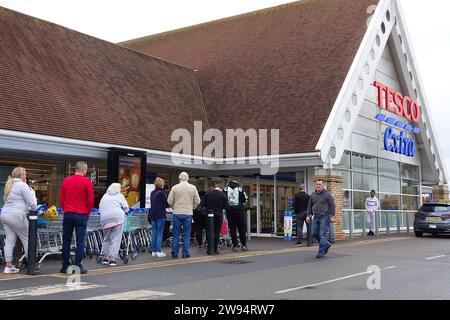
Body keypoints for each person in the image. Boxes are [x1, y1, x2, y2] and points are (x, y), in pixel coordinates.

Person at [0, 167, 37, 274]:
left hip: (5, 215)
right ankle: (32, 265)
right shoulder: (22, 185)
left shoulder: (10, 184)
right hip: (16, 215)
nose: (26, 175)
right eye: (25, 173)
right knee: (28, 239)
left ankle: (8, 266)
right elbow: (32, 203)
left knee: (10, 240)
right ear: (21, 175)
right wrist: (35, 211)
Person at [60, 161, 94, 274]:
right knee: (80, 241)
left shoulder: (66, 180)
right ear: (83, 169)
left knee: (66, 240)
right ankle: (78, 265)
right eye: (86, 170)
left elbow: (61, 199)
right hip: (81, 214)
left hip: (68, 213)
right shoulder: (86, 181)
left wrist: (65, 209)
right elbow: (90, 199)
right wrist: (88, 211)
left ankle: (65, 265)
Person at [168, 172, 201, 259]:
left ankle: (174, 253)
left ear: (179, 178)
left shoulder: (175, 187)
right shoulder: (193, 188)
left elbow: (169, 200)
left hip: (177, 213)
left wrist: (174, 207)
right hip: (188, 213)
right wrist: (192, 207)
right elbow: (198, 201)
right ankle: (185, 253)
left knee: (176, 234)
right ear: (187, 178)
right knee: (187, 234)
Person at [99, 183, 129, 266]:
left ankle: (105, 257)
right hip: (117, 218)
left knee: (106, 238)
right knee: (115, 238)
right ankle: (112, 258)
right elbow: (126, 208)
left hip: (105, 219)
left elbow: (100, 208)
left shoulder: (105, 196)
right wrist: (125, 212)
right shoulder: (119, 196)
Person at [306, 179, 336, 259]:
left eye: (319, 184)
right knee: (314, 233)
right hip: (315, 216)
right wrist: (308, 215)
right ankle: (326, 244)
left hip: (324, 217)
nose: (318, 186)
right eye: (317, 184)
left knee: (322, 235)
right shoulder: (313, 194)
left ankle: (321, 252)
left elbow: (332, 205)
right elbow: (309, 206)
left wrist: (332, 216)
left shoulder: (328, 194)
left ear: (323, 185)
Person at [224, 180, 249, 251]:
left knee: (232, 229)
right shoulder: (240, 189)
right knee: (242, 228)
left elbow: (223, 199)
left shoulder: (225, 189)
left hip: (229, 211)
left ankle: (235, 245)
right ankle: (243, 244)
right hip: (239, 210)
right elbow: (245, 199)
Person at [203, 184, 228, 255]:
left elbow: (204, 204)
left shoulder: (208, 193)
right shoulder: (223, 194)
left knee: (209, 231)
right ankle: (215, 249)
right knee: (217, 232)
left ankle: (209, 248)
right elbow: (225, 206)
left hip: (209, 215)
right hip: (218, 215)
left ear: (215, 187)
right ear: (221, 188)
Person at [149, 177, 169, 258]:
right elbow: (166, 204)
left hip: (152, 214)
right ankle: (158, 251)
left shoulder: (152, 193)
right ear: (162, 184)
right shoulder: (162, 193)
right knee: (160, 233)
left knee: (154, 232)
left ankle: (153, 251)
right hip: (160, 214)